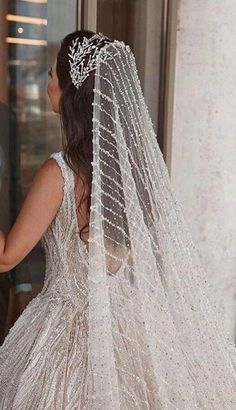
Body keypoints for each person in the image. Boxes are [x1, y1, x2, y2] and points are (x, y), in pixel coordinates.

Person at [0, 29, 235, 409]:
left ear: (71, 88)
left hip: (63, 339)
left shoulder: (59, 172)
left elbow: (6, 257)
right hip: (122, 333)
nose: (47, 85)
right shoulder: (130, 178)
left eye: (51, 75)